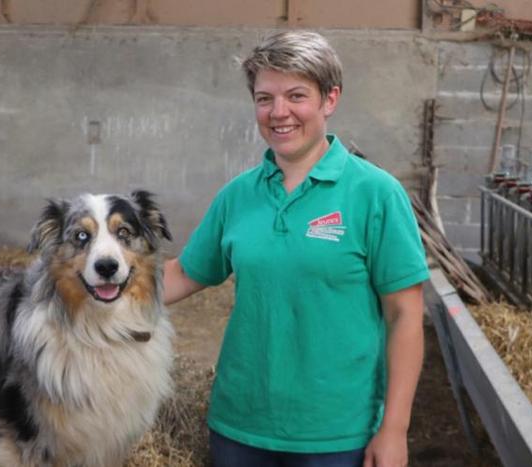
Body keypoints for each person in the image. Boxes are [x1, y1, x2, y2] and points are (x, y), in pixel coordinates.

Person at [163, 31, 429, 467]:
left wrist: (394, 429)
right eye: (264, 98)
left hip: (337, 434)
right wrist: (87, 287)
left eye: (296, 96)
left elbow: (405, 316)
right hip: (239, 427)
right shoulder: (238, 195)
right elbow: (184, 274)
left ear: (330, 99)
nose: (278, 112)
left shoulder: (375, 193)